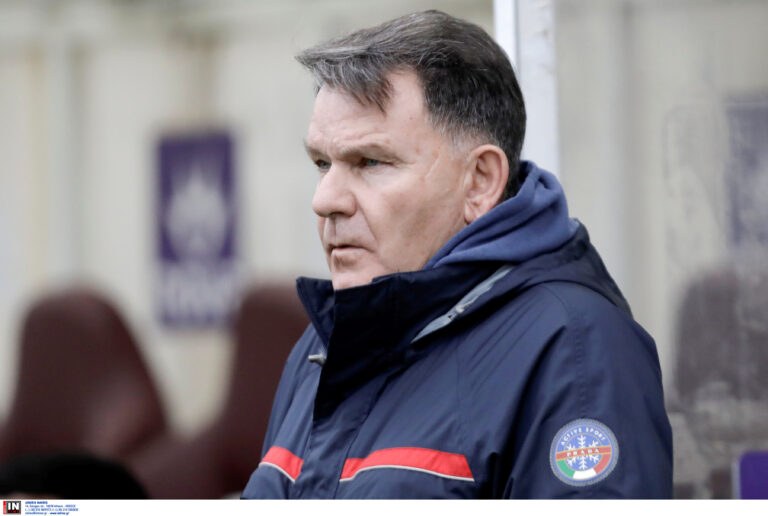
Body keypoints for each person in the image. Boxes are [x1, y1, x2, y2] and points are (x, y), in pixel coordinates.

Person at [242, 10, 672, 499]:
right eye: (323, 163)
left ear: (480, 181)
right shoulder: (324, 345)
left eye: (370, 162)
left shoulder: (574, 350)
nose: (325, 200)